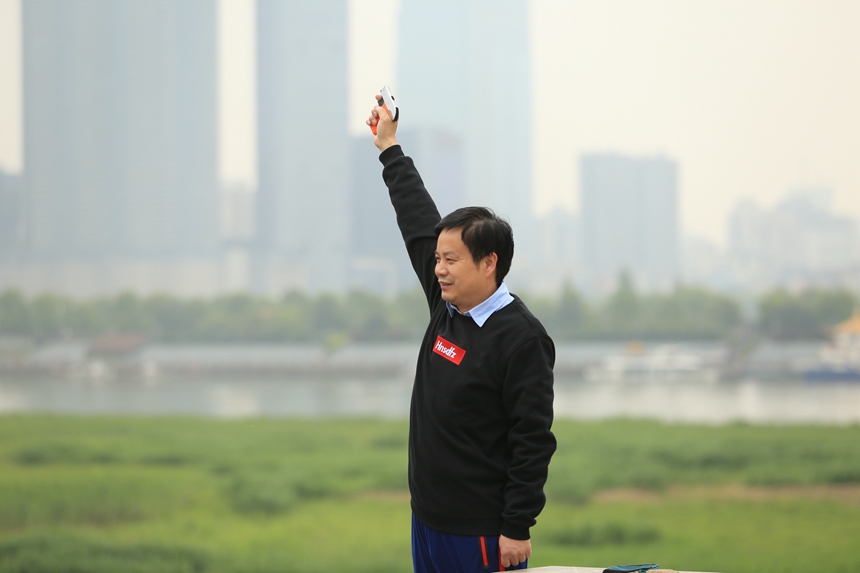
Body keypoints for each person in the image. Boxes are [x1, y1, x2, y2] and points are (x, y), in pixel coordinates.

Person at [367, 98, 556, 573]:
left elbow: (532, 439)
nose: (439, 268)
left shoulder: (522, 339)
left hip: (481, 533)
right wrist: (389, 147)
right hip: (427, 520)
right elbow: (415, 216)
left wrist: (517, 526)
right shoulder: (445, 306)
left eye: (451, 260)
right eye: (437, 259)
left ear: (489, 263)